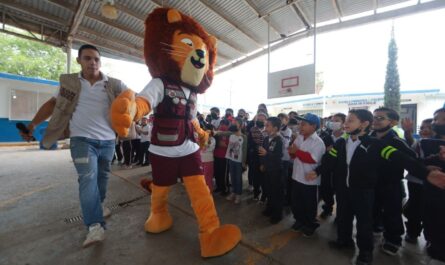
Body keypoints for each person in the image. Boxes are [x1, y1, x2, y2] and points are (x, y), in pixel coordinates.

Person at [19, 44, 127, 247]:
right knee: (87, 178)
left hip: (108, 142)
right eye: (87, 58)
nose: (92, 62)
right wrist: (32, 124)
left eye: (96, 59)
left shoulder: (114, 84)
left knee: (102, 178)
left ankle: (100, 205)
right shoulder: (68, 83)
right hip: (82, 140)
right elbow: (52, 104)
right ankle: (95, 226)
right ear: (79, 61)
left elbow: (133, 100)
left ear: (100, 62)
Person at [370, 107, 416, 255]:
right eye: (374, 117)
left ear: (393, 122)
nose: (375, 121)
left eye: (380, 118)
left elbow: (412, 159)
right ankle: (376, 227)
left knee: (392, 212)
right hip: (371, 183)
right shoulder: (369, 137)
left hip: (390, 184)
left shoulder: (396, 140)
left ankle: (393, 239)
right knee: (373, 208)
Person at [288, 113, 326, 237]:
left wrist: (296, 152)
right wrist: (292, 153)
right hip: (297, 176)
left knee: (309, 204)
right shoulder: (299, 137)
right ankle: (299, 220)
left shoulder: (318, 142)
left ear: (314, 126)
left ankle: (310, 224)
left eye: (304, 124)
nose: (300, 126)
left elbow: (312, 159)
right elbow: (293, 154)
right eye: (300, 124)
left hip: (309, 180)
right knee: (296, 201)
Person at [259, 117, 284, 224]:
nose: (265, 127)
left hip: (276, 170)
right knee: (268, 190)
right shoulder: (266, 138)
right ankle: (269, 209)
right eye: (265, 125)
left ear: (275, 128)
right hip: (267, 169)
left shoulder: (279, 140)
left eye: (268, 125)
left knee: (276, 192)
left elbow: (278, 156)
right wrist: (262, 164)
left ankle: (277, 214)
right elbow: (262, 153)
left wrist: (267, 154)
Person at [225, 118, 247, 204]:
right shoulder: (231, 134)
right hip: (231, 159)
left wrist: (244, 162)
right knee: (232, 177)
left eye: (236, 123)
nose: (233, 124)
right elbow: (222, 133)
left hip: (238, 161)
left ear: (240, 126)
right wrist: (214, 132)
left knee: (238, 178)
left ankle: (238, 194)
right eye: (233, 123)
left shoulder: (243, 137)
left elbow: (244, 150)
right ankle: (233, 192)